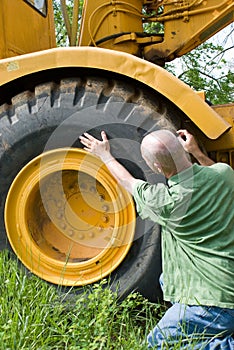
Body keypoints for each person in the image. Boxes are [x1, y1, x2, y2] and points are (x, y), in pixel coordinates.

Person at [79, 129, 234, 349]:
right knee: (165, 279)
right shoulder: (224, 174)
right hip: (225, 284)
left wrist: (104, 155)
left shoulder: (166, 202)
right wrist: (196, 153)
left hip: (214, 303)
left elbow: (128, 182)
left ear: (157, 168)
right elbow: (215, 170)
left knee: (156, 345)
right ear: (183, 148)